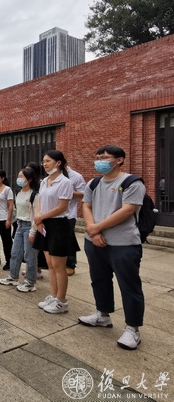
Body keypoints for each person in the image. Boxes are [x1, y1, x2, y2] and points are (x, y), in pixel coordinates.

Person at [79, 145, 146, 350]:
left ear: (119, 160)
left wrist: (97, 227)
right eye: (98, 157)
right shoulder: (94, 183)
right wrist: (94, 232)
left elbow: (128, 210)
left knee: (129, 285)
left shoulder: (132, 182)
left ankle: (132, 328)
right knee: (99, 279)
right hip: (94, 241)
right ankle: (102, 314)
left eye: (105, 157)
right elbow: (86, 206)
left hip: (123, 243)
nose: (100, 161)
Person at [33, 150, 80, 314]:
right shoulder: (44, 181)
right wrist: (39, 219)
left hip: (59, 225)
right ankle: (53, 296)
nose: (44, 164)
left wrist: (41, 217)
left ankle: (61, 300)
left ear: (58, 163)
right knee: (50, 265)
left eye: (48, 161)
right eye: (43, 161)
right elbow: (39, 201)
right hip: (44, 224)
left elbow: (62, 207)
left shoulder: (65, 182)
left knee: (59, 266)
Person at [0, 167, 40, 292]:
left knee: (30, 255)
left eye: (22, 176)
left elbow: (37, 214)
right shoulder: (19, 192)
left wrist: (33, 231)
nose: (19, 179)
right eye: (18, 176)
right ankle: (13, 276)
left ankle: (30, 282)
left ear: (29, 179)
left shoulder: (35, 194)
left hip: (30, 226)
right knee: (15, 253)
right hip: (20, 225)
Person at [65, 165, 85, 276]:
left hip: (69, 215)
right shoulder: (51, 176)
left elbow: (83, 194)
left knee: (69, 239)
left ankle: (70, 264)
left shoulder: (76, 177)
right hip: (54, 214)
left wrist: (69, 192)